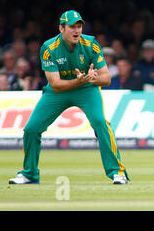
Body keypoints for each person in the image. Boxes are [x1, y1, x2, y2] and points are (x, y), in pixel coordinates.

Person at [9, 10, 129, 185]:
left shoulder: (91, 44)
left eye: (79, 26)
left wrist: (93, 78)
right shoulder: (49, 48)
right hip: (59, 91)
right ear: (61, 28)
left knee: (100, 123)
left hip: (86, 88)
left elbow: (107, 78)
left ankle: (117, 172)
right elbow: (56, 84)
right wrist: (78, 81)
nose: (77, 30)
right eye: (72, 26)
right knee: (32, 129)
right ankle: (30, 174)